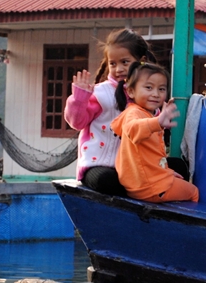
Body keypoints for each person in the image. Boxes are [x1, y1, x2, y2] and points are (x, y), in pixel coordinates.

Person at [64, 29, 155, 196]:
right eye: (113, 63)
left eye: (125, 62)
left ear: (141, 61)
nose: (118, 69)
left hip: (133, 167)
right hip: (99, 164)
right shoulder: (100, 94)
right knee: (107, 180)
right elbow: (77, 123)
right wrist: (79, 99)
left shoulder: (148, 95)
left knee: (176, 166)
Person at [112, 61, 199, 203]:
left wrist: (167, 173)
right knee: (194, 192)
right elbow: (132, 129)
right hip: (149, 187)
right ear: (131, 91)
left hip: (147, 183)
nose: (156, 94)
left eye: (161, 89)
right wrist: (157, 122)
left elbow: (151, 158)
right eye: (148, 87)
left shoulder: (147, 114)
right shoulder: (133, 113)